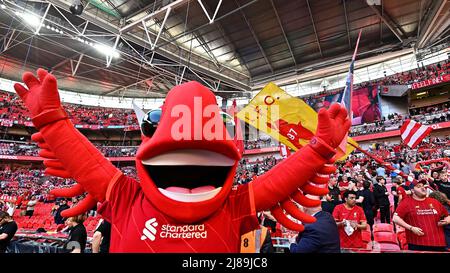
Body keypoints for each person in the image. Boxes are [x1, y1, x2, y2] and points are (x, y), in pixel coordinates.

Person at [393, 180, 450, 251]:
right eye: (419, 187)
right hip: (417, 243)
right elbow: (395, 218)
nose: (423, 188)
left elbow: (447, 215)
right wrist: (411, 228)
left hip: (439, 243)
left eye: (423, 186)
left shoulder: (434, 201)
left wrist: (447, 221)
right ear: (412, 190)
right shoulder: (406, 202)